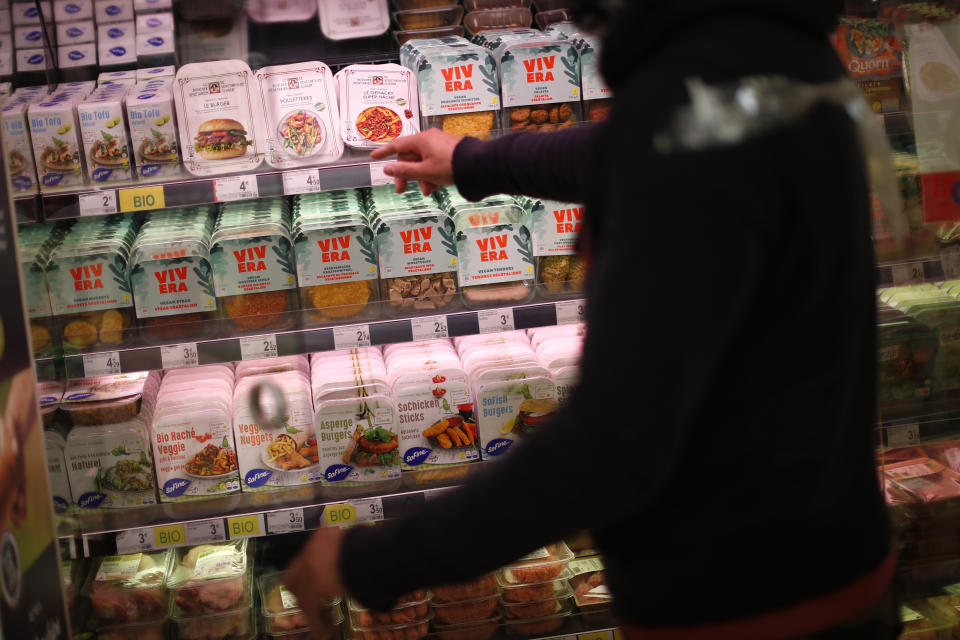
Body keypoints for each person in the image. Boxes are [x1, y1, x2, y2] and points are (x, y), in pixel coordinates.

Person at [287, 1, 898, 637]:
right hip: (832, 557)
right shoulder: (774, 48)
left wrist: (374, 559)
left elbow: (617, 441)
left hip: (741, 604)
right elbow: (634, 148)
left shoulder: (687, 100)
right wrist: (475, 161)